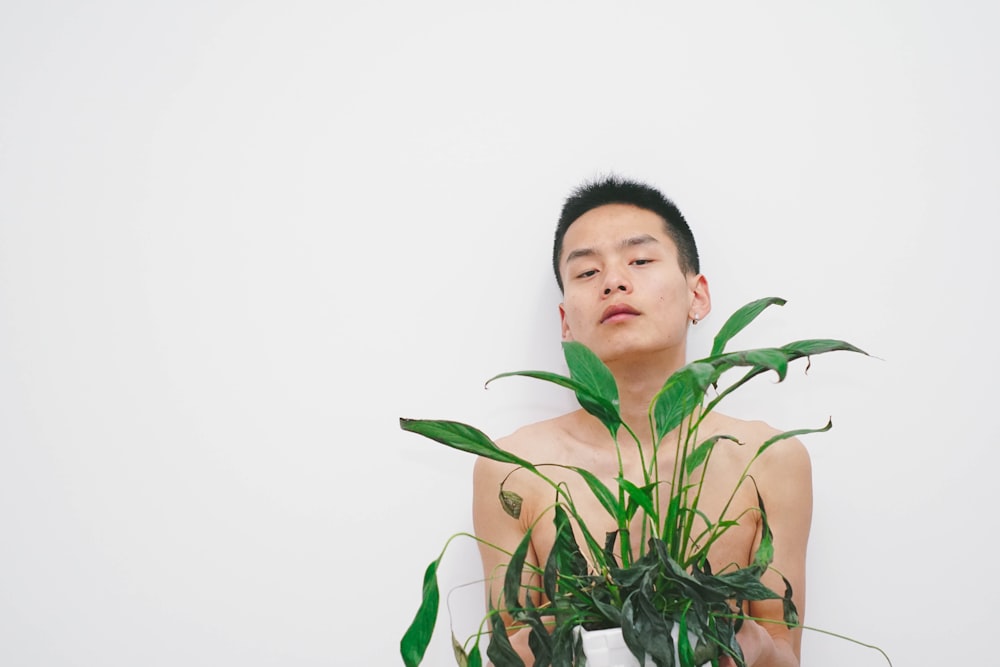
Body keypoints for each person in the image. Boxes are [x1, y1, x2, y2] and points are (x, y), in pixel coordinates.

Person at [472, 175, 811, 667]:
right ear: (566, 322)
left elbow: (786, 652)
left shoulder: (769, 459)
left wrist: (745, 641)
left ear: (698, 296)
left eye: (640, 260)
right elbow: (509, 649)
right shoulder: (513, 467)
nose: (613, 281)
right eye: (587, 273)